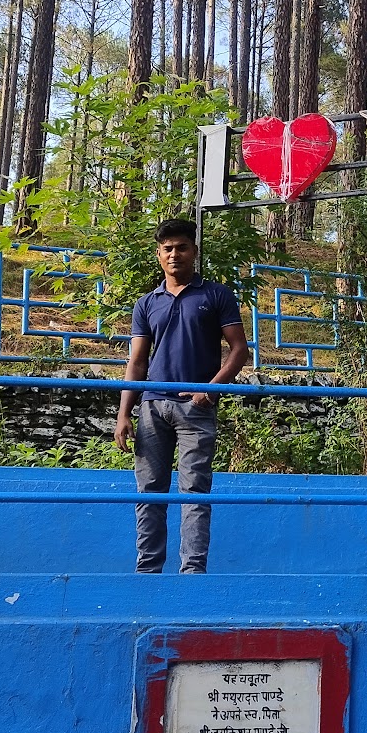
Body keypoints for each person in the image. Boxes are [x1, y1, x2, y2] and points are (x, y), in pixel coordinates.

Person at [115, 219, 249, 573]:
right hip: (151, 406)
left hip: (196, 406)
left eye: (182, 247)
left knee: (194, 492)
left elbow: (239, 350)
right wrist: (123, 414)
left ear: (194, 252)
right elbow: (137, 361)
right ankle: (147, 573)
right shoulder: (147, 303)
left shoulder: (215, 295)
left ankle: (192, 573)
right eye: (168, 249)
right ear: (159, 255)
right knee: (149, 493)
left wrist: (211, 388)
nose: (175, 254)